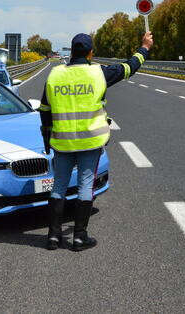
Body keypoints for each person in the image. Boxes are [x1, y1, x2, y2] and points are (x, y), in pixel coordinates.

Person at [39, 31, 153, 251]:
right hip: (90, 142)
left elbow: (44, 110)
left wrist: (47, 138)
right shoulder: (98, 73)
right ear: (91, 53)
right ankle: (79, 237)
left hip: (62, 142)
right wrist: (145, 47)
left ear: (71, 52)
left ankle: (53, 236)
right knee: (85, 185)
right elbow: (129, 67)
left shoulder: (54, 75)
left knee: (58, 186)